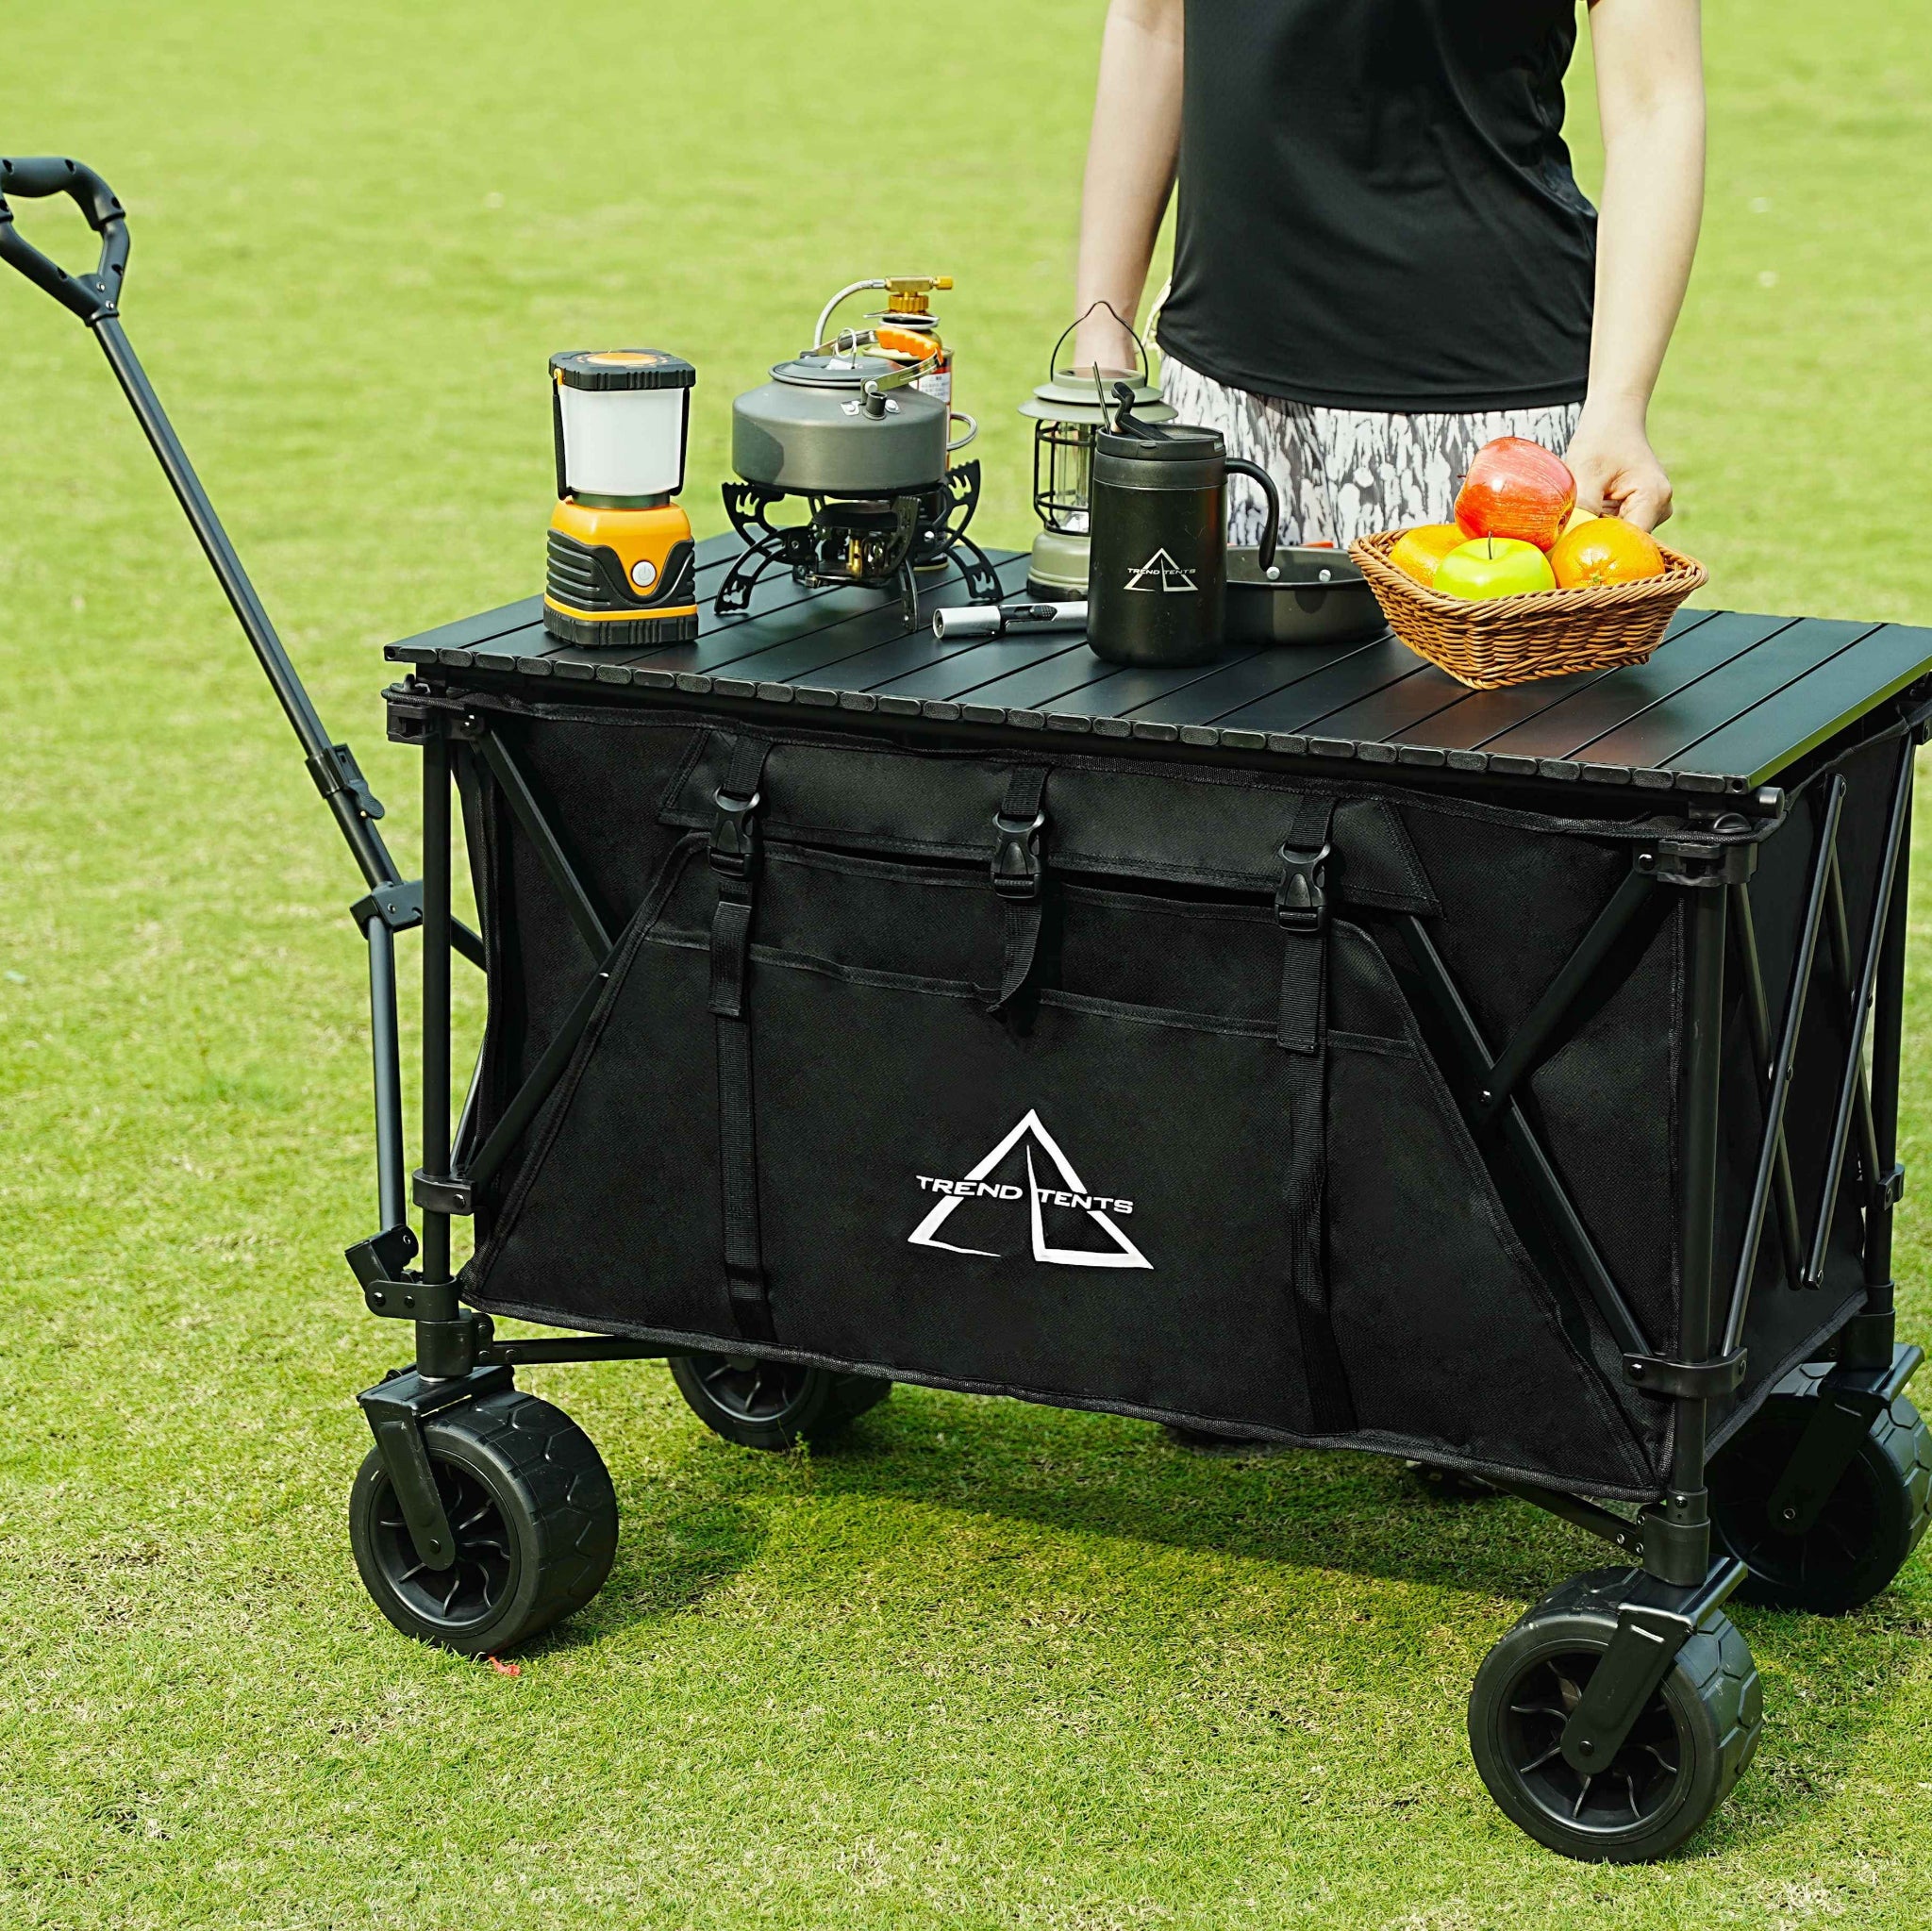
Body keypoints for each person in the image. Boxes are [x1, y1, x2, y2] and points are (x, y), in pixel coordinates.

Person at [1072, 0, 1706, 550]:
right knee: (1189, 694)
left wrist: (1619, 410)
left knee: (1466, 697)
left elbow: (1657, 107)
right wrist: (1101, 329)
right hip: (1213, 407)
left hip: (1479, 428)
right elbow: (1152, 22)